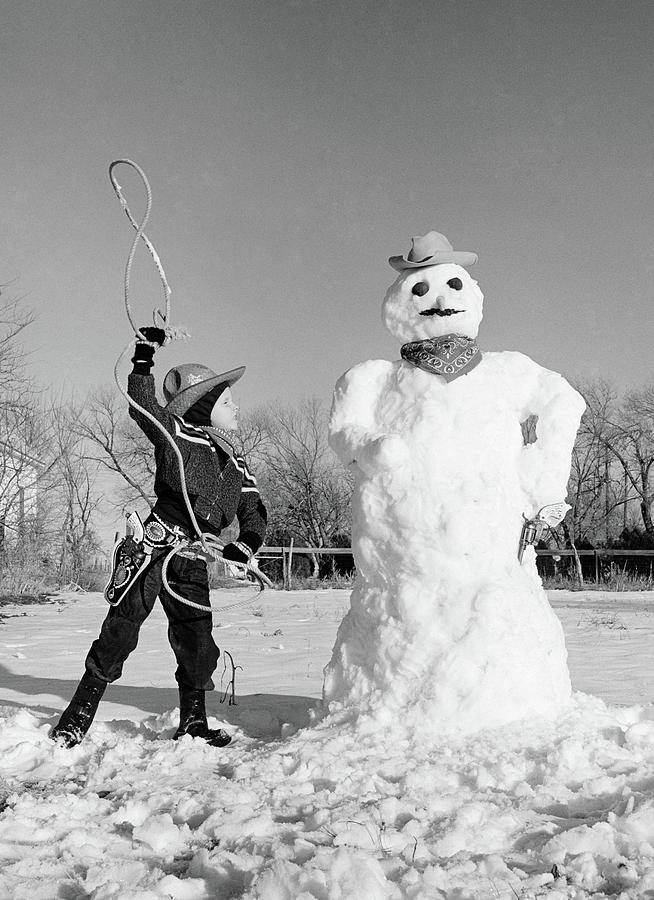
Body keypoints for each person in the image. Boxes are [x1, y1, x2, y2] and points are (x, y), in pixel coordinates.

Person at [51, 327, 267, 748]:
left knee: (198, 640)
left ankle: (193, 723)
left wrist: (244, 545)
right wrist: (144, 354)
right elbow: (142, 405)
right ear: (205, 406)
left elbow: (255, 511)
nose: (236, 407)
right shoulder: (176, 434)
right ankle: (76, 718)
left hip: (194, 558)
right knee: (120, 630)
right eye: (227, 401)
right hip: (155, 546)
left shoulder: (237, 462)